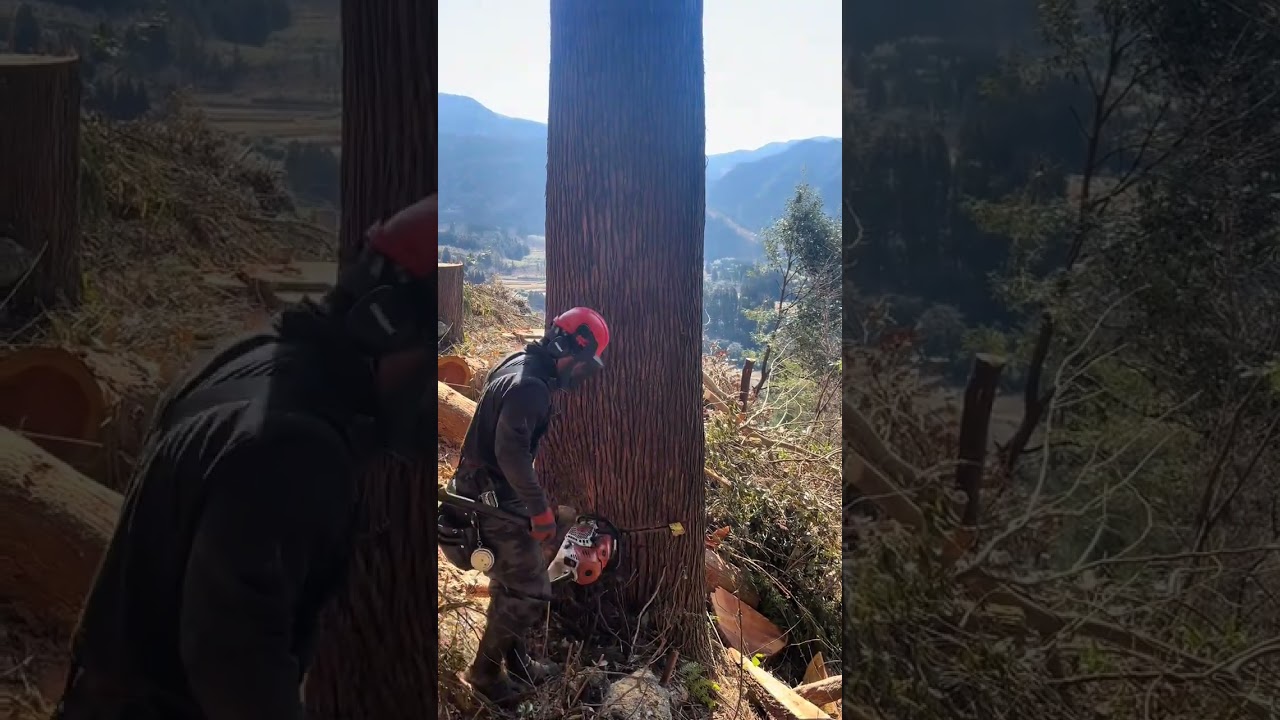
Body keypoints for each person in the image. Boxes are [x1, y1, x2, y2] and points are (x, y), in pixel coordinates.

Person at [52, 195, 441, 720]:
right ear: (384, 320)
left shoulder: (248, 360)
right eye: (432, 346)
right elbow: (235, 663)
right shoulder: (296, 448)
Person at [438, 305, 610, 705]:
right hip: (488, 497)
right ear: (567, 347)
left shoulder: (521, 362)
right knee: (532, 589)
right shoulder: (530, 386)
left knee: (513, 581)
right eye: (583, 365)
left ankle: (515, 663)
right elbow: (511, 452)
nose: (581, 376)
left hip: (487, 488)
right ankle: (483, 673)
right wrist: (539, 510)